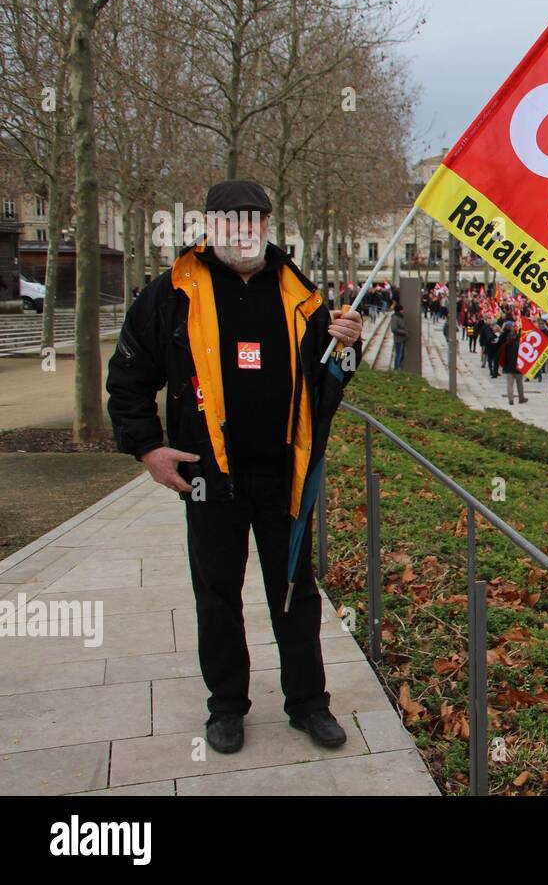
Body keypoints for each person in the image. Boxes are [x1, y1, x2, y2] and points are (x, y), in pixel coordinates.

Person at [105, 179, 362, 755]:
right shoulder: (171, 293)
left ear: (267, 227)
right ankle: (226, 707)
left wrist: (347, 344)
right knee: (216, 594)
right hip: (207, 478)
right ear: (209, 226)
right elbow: (127, 379)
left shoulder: (301, 291)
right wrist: (148, 448)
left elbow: (329, 375)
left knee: (295, 591)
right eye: (230, 222)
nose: (242, 232)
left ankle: (308, 704)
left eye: (253, 222)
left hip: (285, 475)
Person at [499, 323, 527, 405]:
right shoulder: (521, 345)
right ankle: (521, 398)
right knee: (520, 384)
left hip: (509, 368)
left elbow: (502, 356)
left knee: (510, 385)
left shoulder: (507, 345)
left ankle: (511, 399)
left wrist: (503, 366)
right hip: (519, 367)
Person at [389, 302, 408, 370]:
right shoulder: (395, 318)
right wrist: (404, 332)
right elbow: (394, 328)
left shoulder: (401, 316)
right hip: (398, 339)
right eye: (402, 309)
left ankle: (398, 366)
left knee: (402, 355)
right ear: (400, 310)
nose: (403, 311)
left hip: (403, 339)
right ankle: (396, 368)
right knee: (399, 355)